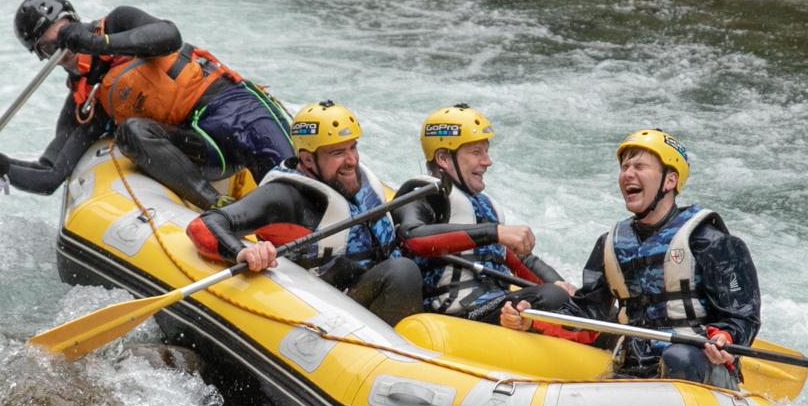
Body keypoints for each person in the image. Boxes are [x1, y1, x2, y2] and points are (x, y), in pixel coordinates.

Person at [0, 0, 294, 208]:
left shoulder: (119, 23)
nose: (64, 51)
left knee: (298, 186)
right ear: (41, 57)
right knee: (131, 130)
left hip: (233, 108)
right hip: (206, 149)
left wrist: (96, 43)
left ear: (74, 22)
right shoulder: (88, 103)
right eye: (50, 49)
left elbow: (168, 37)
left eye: (63, 35)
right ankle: (218, 208)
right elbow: (50, 174)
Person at [502, 129, 760, 389]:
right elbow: (587, 313)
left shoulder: (710, 241)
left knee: (678, 356)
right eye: (625, 167)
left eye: (639, 166)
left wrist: (727, 337)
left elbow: (742, 317)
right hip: (635, 364)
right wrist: (534, 319)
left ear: (669, 181)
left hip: (696, 364)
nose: (628, 174)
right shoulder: (610, 244)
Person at [183, 101, 425, 326]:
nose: (351, 160)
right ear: (308, 160)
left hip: (374, 282)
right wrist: (242, 252)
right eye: (337, 153)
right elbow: (204, 225)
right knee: (402, 271)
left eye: (353, 147)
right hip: (333, 309)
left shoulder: (355, 177)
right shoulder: (284, 196)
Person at [391, 104, 572, 323]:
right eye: (476, 152)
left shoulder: (486, 206)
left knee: (571, 298)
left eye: (486, 151)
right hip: (455, 313)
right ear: (443, 158)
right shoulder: (422, 194)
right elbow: (413, 238)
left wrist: (560, 284)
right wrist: (493, 232)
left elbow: (519, 258)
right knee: (552, 296)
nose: (487, 161)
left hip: (494, 302)